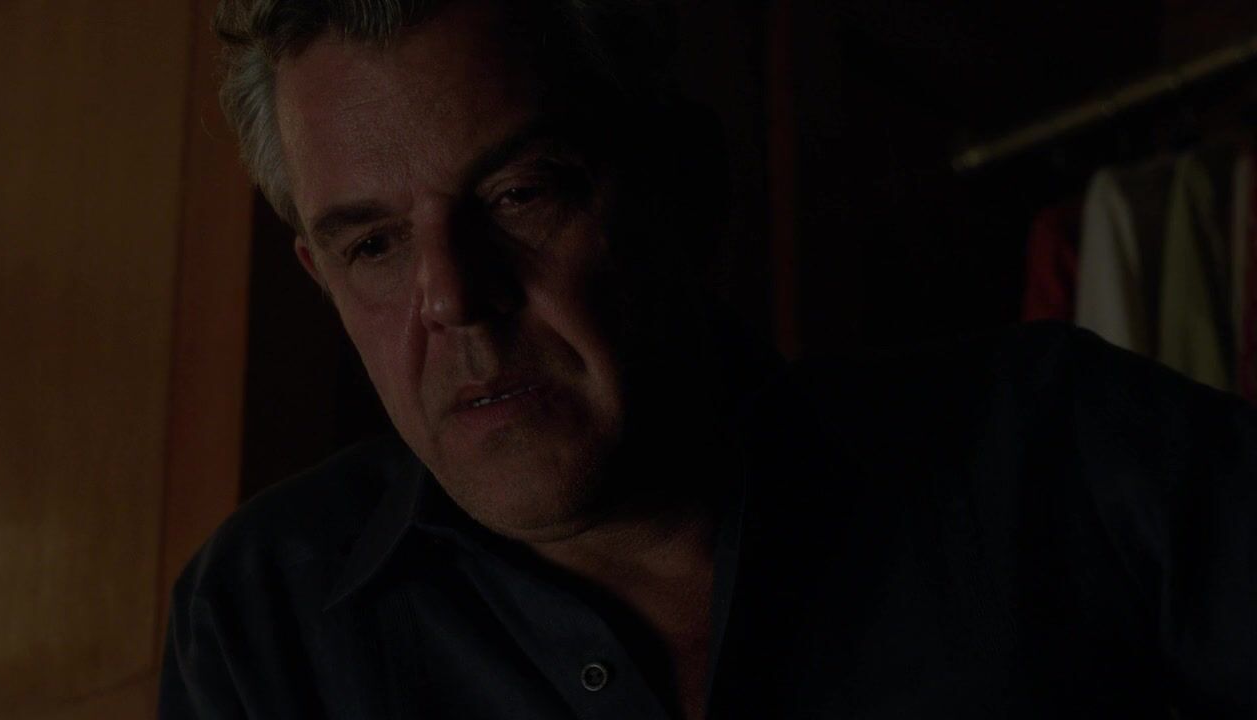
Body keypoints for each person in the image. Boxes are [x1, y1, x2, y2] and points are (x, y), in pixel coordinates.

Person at [160, 1, 1257, 717]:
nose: (450, 298)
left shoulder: (1069, 453)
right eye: (373, 245)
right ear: (319, 274)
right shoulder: (266, 617)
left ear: (685, 186)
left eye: (519, 193)